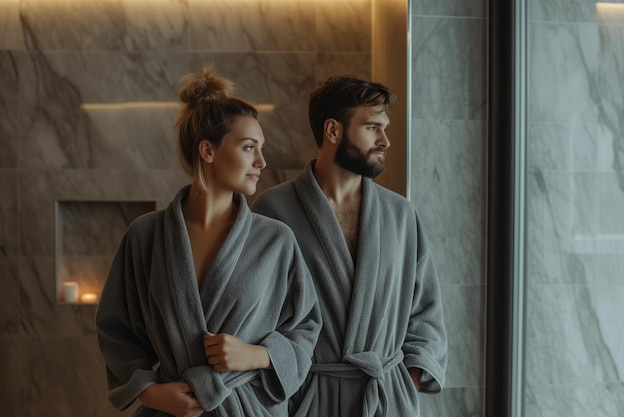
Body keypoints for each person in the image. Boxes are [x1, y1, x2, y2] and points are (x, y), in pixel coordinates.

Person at [95, 65, 321, 417]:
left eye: (261, 148)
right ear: (208, 151)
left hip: (248, 408)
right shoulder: (146, 236)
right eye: (249, 148)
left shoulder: (276, 240)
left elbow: (306, 328)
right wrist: (150, 393)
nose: (262, 161)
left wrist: (258, 355)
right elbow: (116, 330)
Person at [251, 75, 447, 417]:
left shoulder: (400, 214)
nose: (385, 140)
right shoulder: (274, 210)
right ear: (333, 131)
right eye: (372, 127)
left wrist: (404, 382)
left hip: (384, 400)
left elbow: (426, 312)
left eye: (385, 128)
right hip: (310, 400)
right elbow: (255, 318)